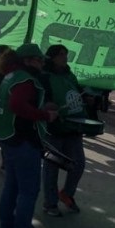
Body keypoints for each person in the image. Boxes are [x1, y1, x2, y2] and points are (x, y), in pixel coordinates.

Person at [0, 43, 58, 228]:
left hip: (9, 138)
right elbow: (17, 105)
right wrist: (44, 115)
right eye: (39, 59)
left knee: (11, 187)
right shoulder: (26, 79)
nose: (42, 63)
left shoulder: (11, 76)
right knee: (28, 191)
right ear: (27, 60)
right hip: (23, 140)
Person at [41, 44, 87, 216]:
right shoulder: (45, 76)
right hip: (54, 128)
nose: (65, 57)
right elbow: (41, 99)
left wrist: (87, 98)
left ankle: (67, 194)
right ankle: (50, 203)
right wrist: (49, 106)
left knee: (79, 164)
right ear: (52, 57)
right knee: (51, 167)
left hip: (74, 127)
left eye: (66, 54)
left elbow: (78, 92)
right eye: (61, 54)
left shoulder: (69, 74)